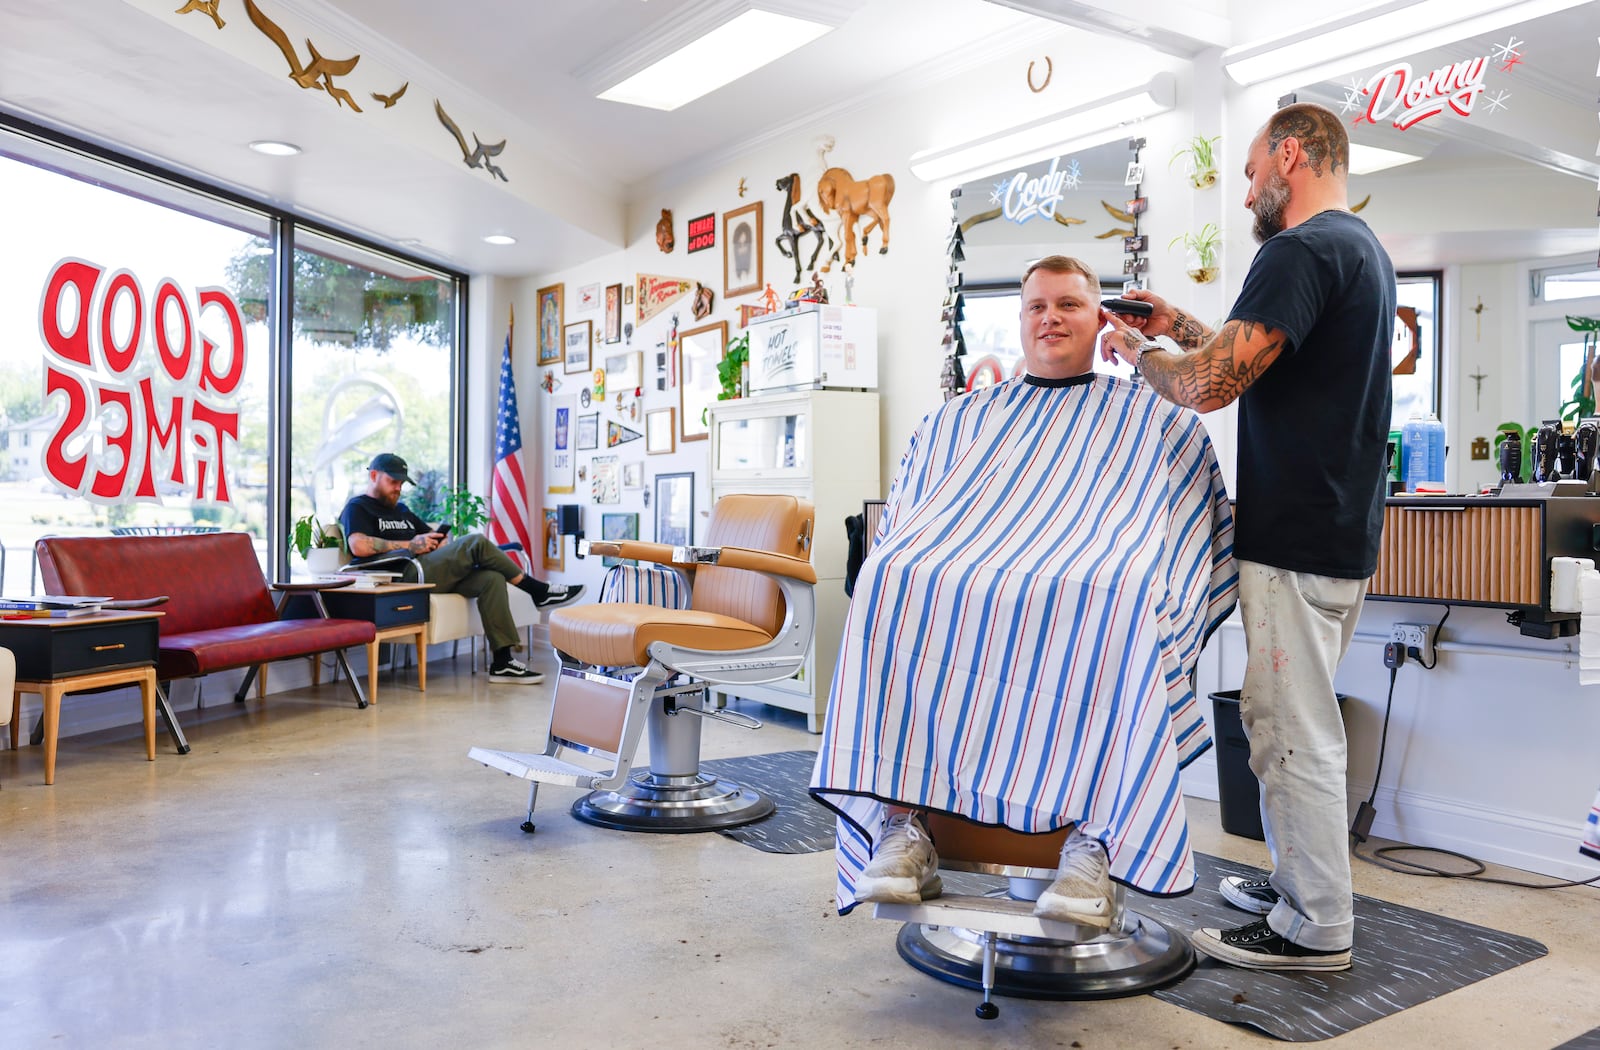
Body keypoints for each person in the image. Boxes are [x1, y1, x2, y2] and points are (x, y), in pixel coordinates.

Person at [810, 255, 1237, 930]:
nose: (1050, 318)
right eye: (1037, 306)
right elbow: (906, 526)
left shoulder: (1157, 418)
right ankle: (904, 823)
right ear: (1018, 321)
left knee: (1120, 598)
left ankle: (1094, 840)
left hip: (1096, 583)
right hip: (984, 577)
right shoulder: (964, 419)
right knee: (889, 581)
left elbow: (1184, 541)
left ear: (1103, 317)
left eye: (1068, 304)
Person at [1099, 102, 1395, 972]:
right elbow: (1258, 357)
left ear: (1290, 156)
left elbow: (1211, 385)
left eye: (1252, 168)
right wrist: (1176, 325)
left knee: (1286, 729)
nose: (1245, 191)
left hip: (1295, 535)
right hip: (1338, 528)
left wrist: (1138, 356)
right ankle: (1297, 878)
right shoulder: (1358, 248)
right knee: (1296, 719)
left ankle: (1315, 925)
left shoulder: (1297, 250)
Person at [340, 453, 584, 684]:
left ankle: (503, 662)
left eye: (402, 483)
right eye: (393, 481)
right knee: (475, 542)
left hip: (430, 569)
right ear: (374, 476)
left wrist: (438, 542)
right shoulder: (358, 507)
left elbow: (432, 536)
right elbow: (358, 545)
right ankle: (537, 590)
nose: (398, 488)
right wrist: (411, 545)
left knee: (491, 578)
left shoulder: (402, 510)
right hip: (404, 575)